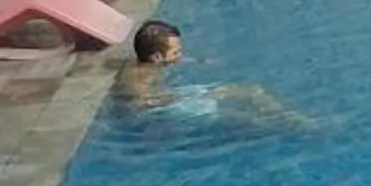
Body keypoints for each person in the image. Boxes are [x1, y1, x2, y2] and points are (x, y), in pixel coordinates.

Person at [112, 21, 313, 131]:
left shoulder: (151, 61)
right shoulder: (139, 78)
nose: (180, 55)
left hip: (173, 96)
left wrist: (201, 62)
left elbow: (169, 61)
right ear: (156, 57)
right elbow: (136, 103)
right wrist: (179, 98)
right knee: (243, 119)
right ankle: (298, 129)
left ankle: (294, 119)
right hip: (163, 106)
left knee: (251, 89)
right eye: (176, 52)